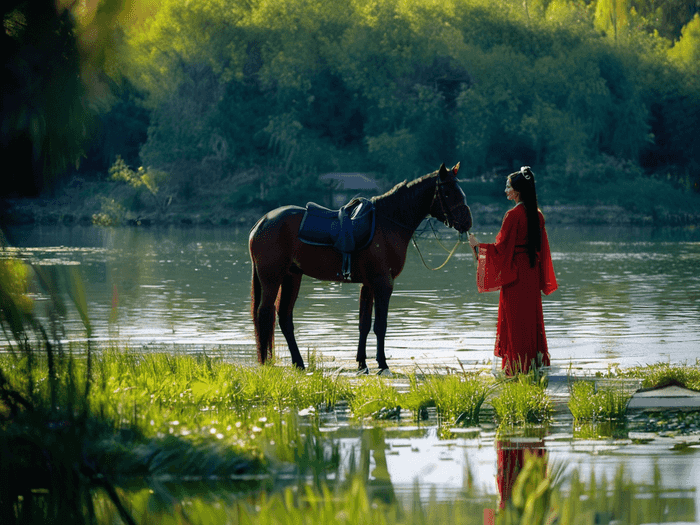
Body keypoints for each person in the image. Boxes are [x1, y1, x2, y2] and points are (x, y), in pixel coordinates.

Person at [468, 166, 557, 375]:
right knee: (530, 319)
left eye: (508, 187)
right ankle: (532, 366)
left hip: (515, 276)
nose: (506, 190)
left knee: (515, 322)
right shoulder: (537, 215)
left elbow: (501, 250)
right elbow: (541, 250)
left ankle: (516, 369)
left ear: (517, 191)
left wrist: (476, 246)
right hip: (531, 273)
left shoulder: (513, 215)